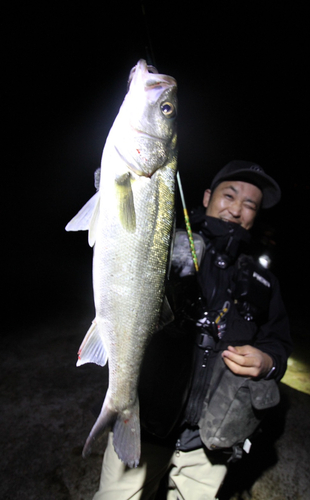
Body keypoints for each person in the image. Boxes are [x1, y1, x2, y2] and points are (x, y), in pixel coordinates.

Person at [93, 160, 292, 500]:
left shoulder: (264, 278)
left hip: (210, 444)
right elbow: (128, 238)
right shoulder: (167, 239)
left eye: (250, 205)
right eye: (230, 195)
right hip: (146, 424)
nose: (237, 209)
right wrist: (118, 190)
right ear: (207, 196)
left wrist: (268, 361)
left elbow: (278, 343)